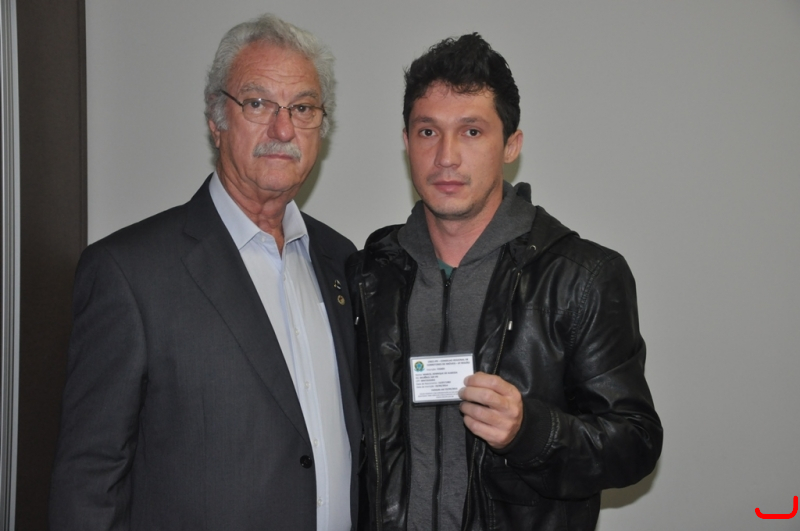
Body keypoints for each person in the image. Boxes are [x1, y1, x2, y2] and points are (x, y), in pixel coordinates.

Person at [49, 14, 360, 531]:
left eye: (302, 108)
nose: (283, 129)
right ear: (217, 120)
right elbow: (89, 478)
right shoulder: (129, 273)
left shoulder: (340, 260)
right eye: (258, 103)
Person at [348, 33, 662, 530]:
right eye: (428, 132)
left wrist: (531, 432)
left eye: (471, 131)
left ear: (511, 145)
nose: (446, 156)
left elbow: (635, 443)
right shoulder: (368, 275)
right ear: (406, 142)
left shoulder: (581, 277)